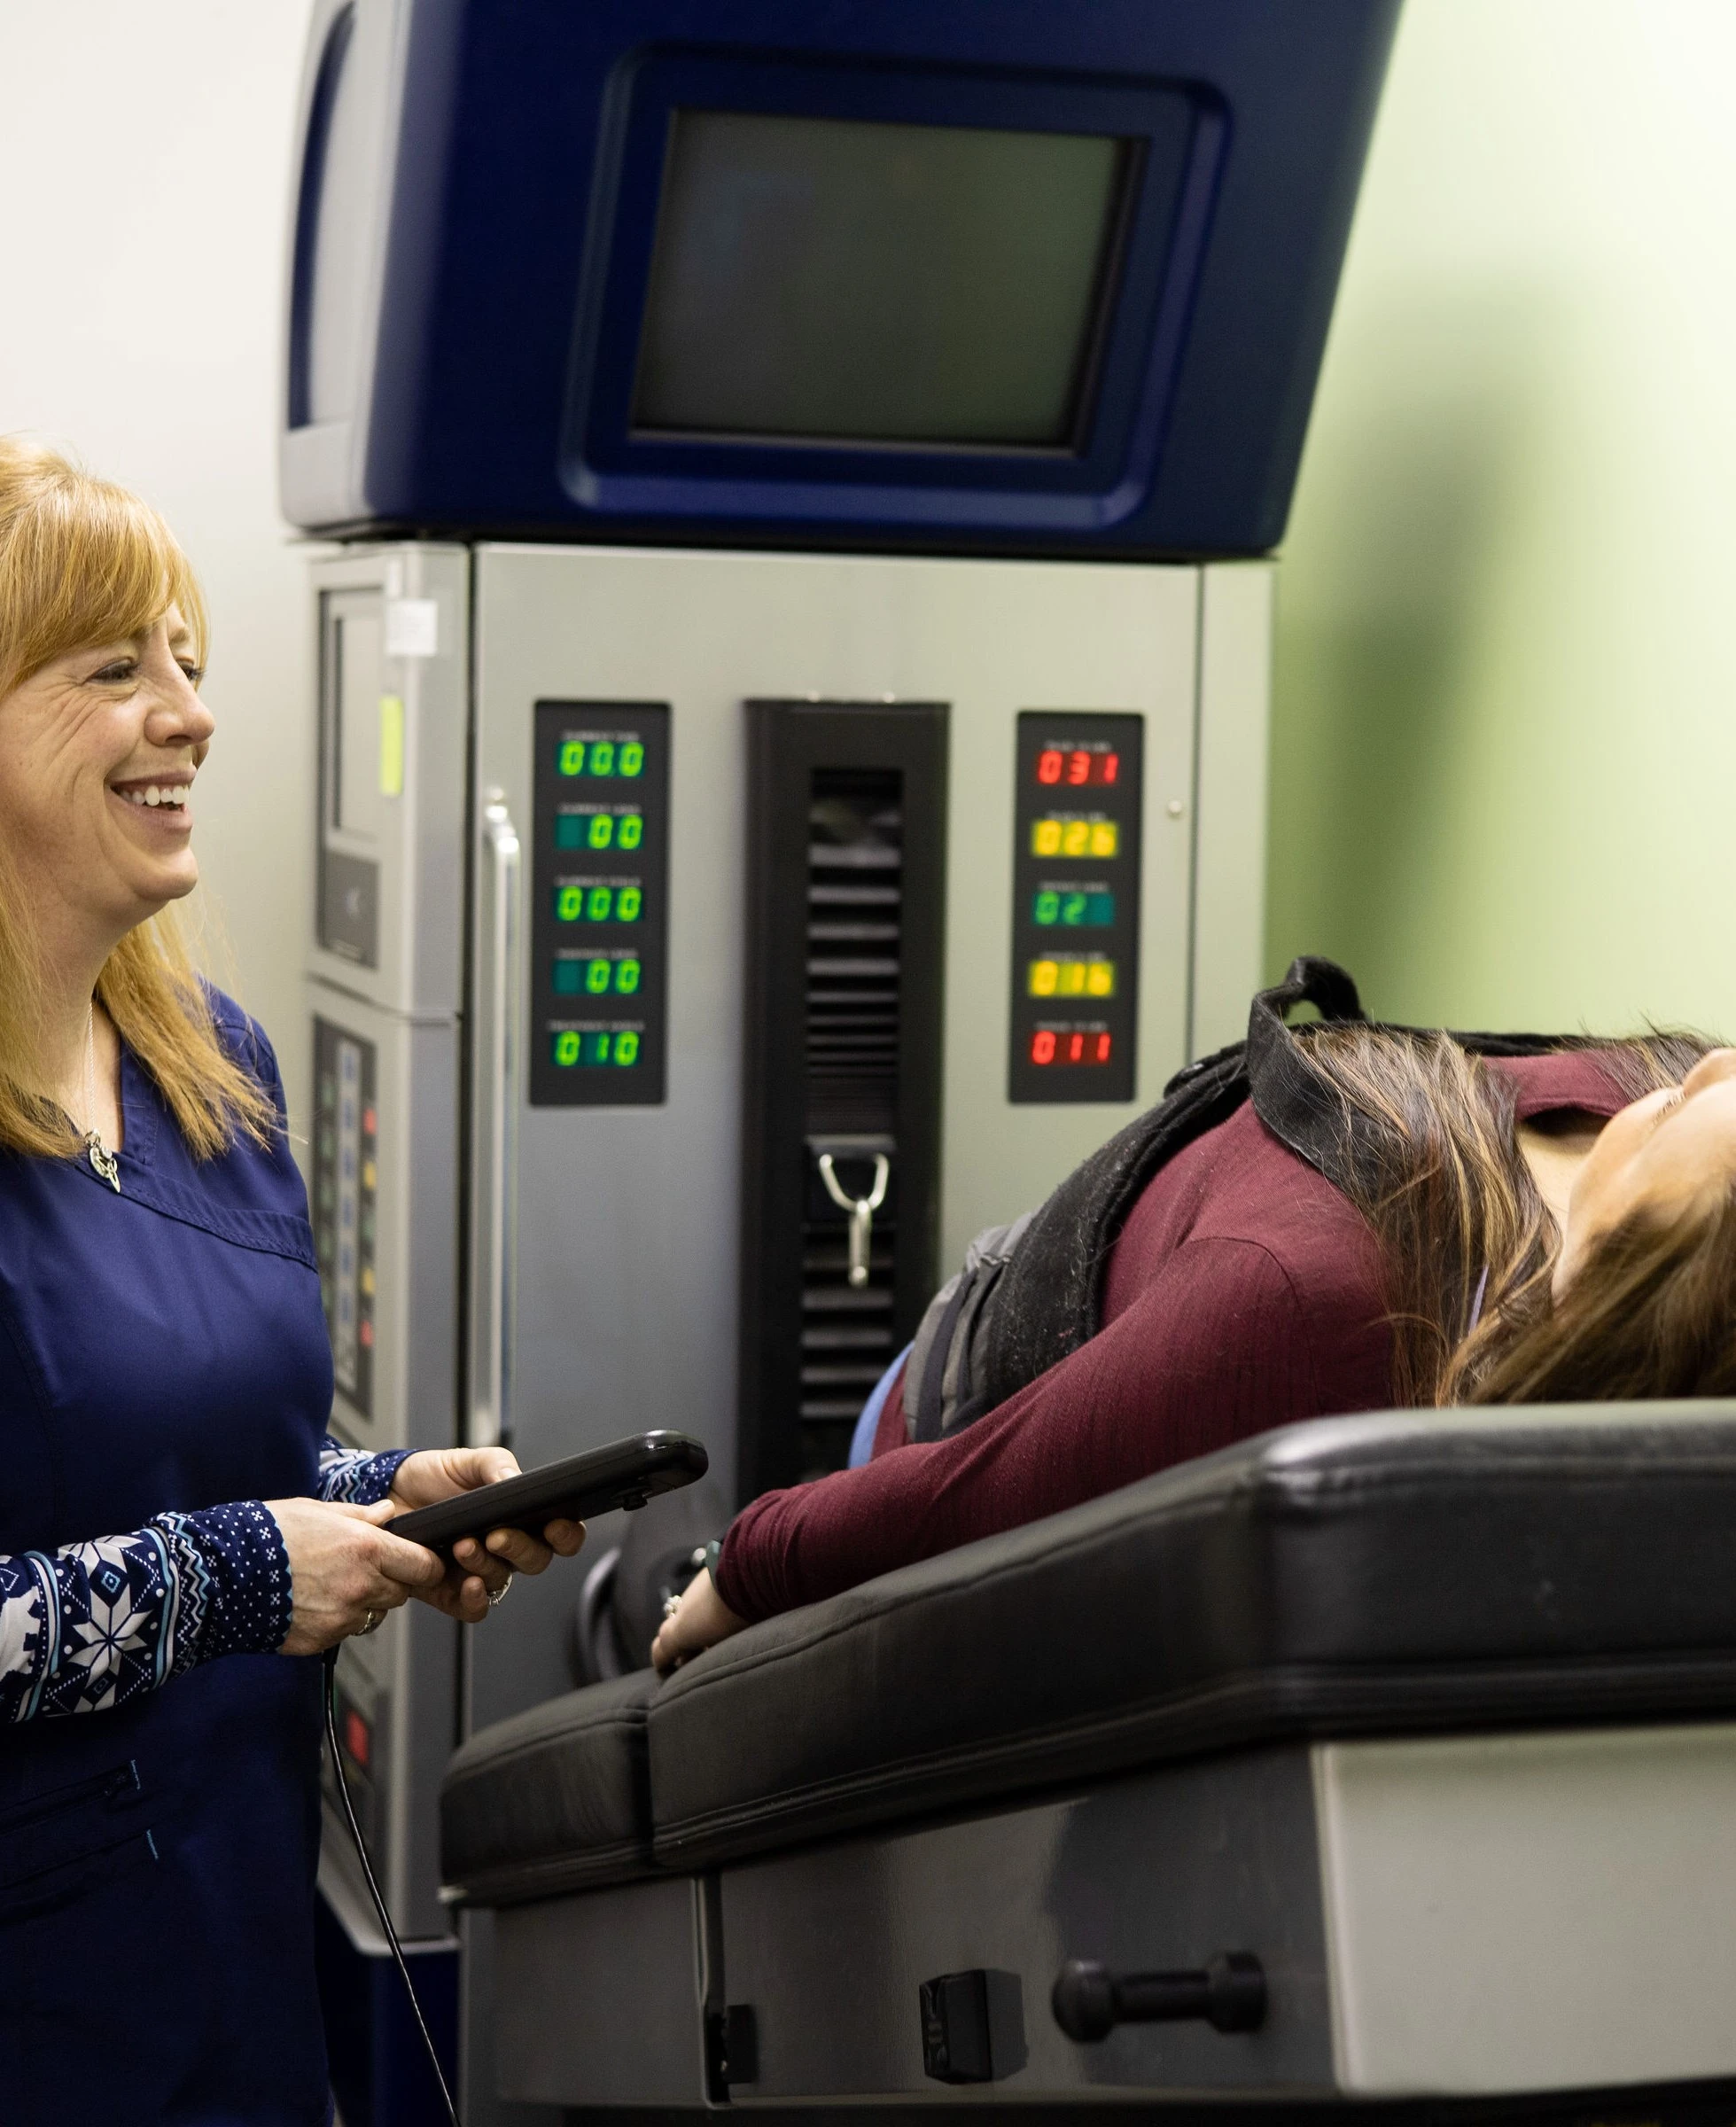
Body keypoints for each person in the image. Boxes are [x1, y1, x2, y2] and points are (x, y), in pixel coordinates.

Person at [0, 437, 583, 2121]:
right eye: (115, 668)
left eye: (189, 660)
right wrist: (243, 1578)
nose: (186, 712)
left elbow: (182, 1467)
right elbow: (206, 1547)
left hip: (242, 1961)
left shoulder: (213, 1073)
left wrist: (378, 1506)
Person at [654, 970, 1736, 1675]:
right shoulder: (1649, 1081)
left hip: (953, 1408)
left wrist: (736, 1577)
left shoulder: (1312, 1303)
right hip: (1091, 1253)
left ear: (1656, 1288)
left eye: (1695, 1117)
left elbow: (953, 1498)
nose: (1715, 1068)